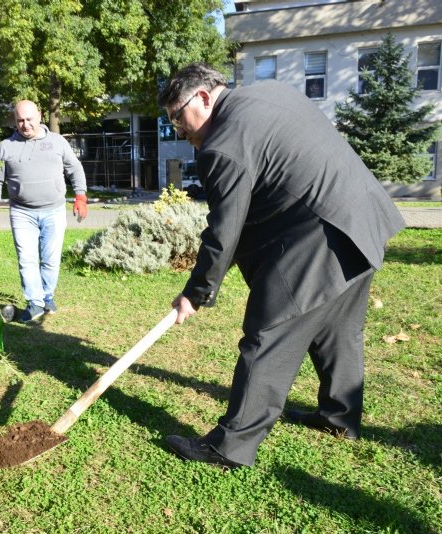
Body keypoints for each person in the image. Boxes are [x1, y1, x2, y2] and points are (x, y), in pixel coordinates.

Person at [158, 63, 405, 469]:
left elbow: (225, 230)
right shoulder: (270, 93)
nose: (179, 130)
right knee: (340, 329)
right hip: (362, 220)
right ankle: (338, 418)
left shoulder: (223, 143)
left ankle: (230, 447)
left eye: (178, 117)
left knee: (267, 334)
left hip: (318, 238)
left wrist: (196, 292)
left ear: (203, 97)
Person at [0, 100, 88, 323]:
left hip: (54, 210)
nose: (25, 124)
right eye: (20, 120)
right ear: (15, 120)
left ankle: (47, 297)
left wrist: (80, 196)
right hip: (22, 212)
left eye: (29, 119)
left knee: (51, 259)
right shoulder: (6, 146)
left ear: (39, 116)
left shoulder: (57, 142)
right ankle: (35, 302)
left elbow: (75, 168)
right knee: (27, 259)